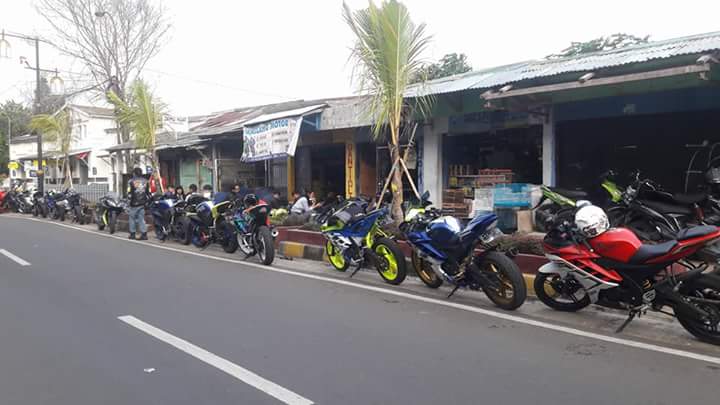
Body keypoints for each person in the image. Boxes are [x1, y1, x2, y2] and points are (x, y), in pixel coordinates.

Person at [127, 167, 150, 240]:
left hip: (134, 203)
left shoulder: (131, 181)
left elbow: (129, 192)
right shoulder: (146, 181)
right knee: (141, 219)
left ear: (134, 173)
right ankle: (144, 234)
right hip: (143, 202)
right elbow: (148, 192)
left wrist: (128, 202)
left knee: (132, 218)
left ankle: (132, 234)